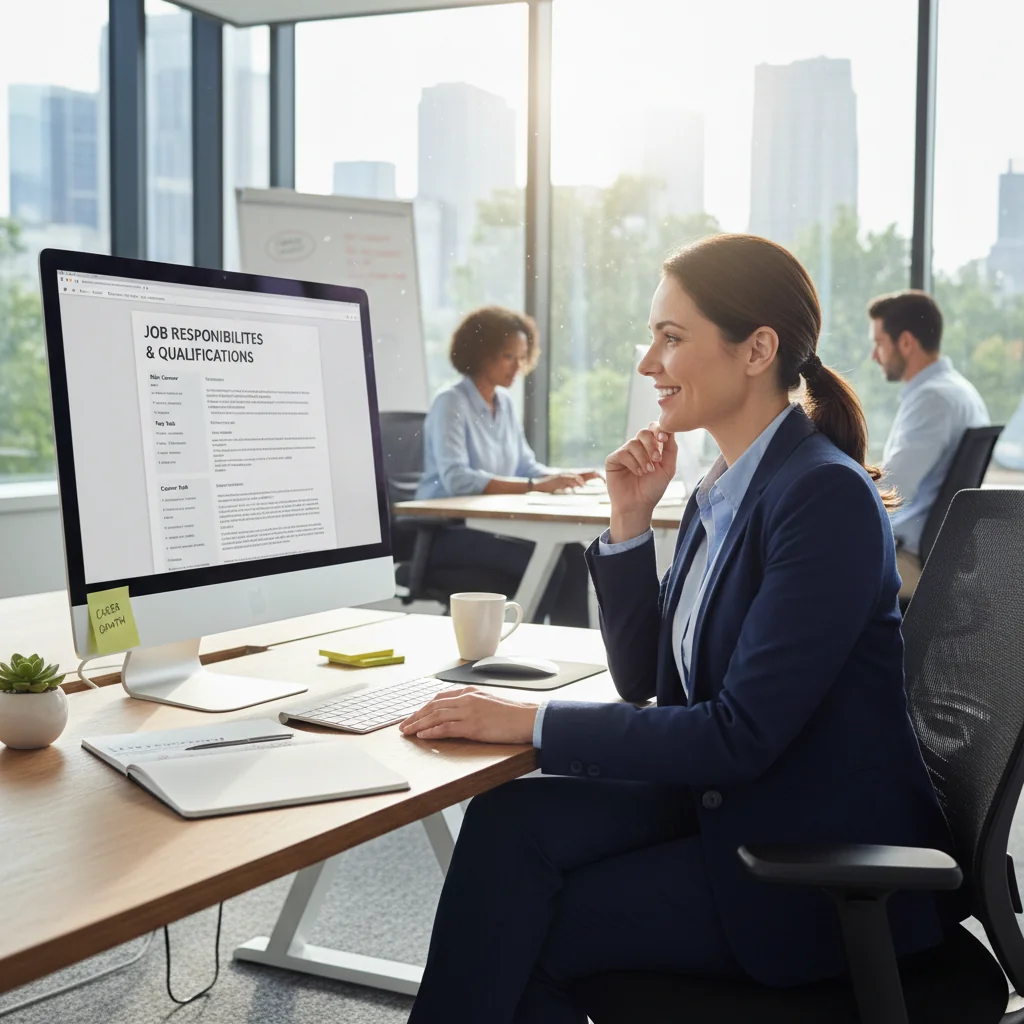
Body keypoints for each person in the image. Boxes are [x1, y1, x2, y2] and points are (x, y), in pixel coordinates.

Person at [400, 235, 959, 1024]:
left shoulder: (822, 498)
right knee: (506, 824)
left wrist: (532, 721)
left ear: (757, 348)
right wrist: (629, 524)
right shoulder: (719, 492)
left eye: (671, 338)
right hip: (730, 801)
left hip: (804, 857)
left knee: (536, 928)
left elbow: (738, 734)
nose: (647, 365)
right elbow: (652, 686)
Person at [416, 306, 600, 626]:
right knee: (550, 562)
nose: (518, 367)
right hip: (446, 533)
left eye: (522, 357)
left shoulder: (504, 404)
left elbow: (525, 465)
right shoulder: (451, 402)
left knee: (573, 554)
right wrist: (535, 486)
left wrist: (561, 477)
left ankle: (569, 654)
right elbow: (458, 479)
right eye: (508, 356)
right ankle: (529, 648)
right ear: (480, 353)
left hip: (491, 529)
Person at [869, 290, 990, 598]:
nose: (874, 355)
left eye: (879, 343)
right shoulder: (962, 391)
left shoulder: (932, 399)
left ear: (906, 342)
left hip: (910, 560)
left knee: (813, 569)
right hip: (940, 555)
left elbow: (893, 490)